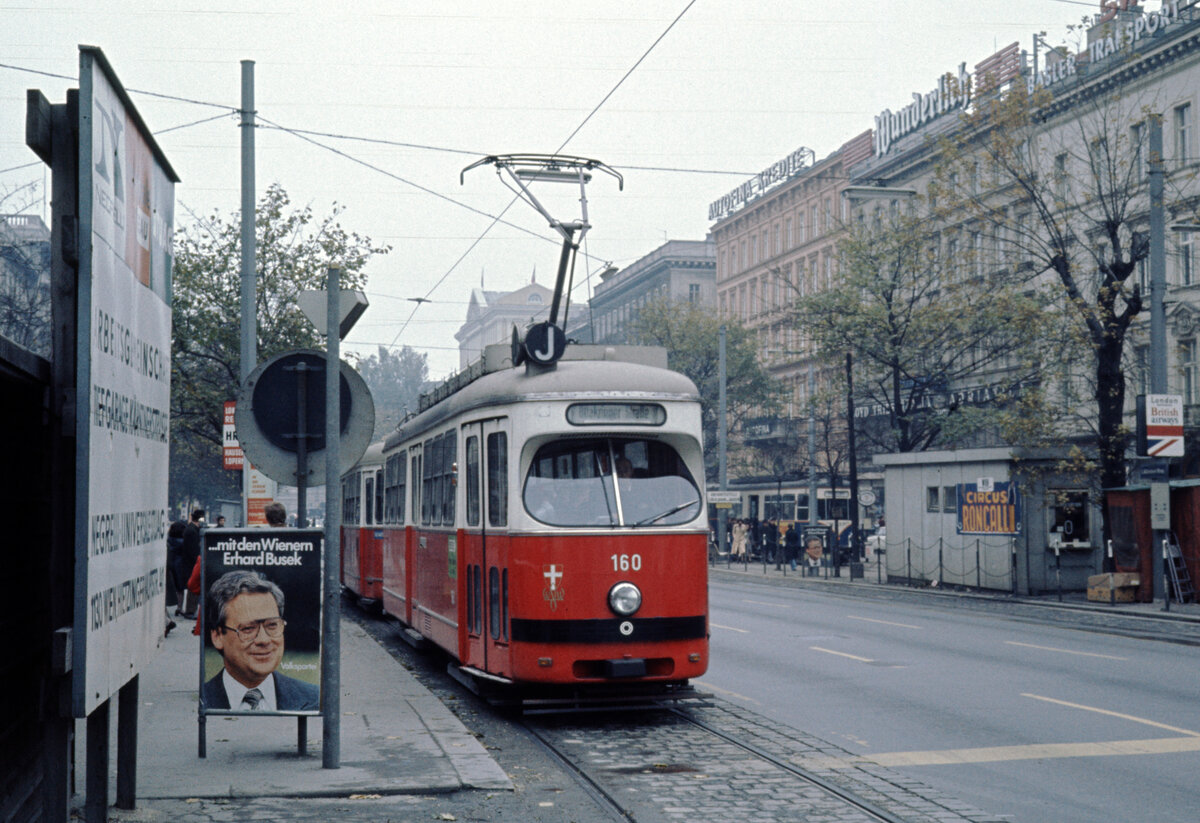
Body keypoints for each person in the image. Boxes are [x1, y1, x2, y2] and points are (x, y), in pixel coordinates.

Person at [201, 570, 319, 711]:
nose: (263, 640)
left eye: (272, 625)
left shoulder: (314, 698)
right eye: (248, 628)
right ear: (218, 636)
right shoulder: (204, 700)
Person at [181, 509, 204, 618]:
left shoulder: (191, 529)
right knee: (193, 587)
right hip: (192, 564)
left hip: (190, 563)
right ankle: (190, 610)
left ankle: (190, 610)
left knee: (192, 587)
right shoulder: (192, 531)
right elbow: (193, 550)